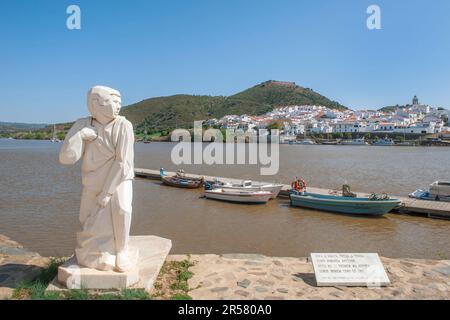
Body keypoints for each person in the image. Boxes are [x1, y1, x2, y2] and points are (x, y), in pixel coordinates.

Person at [59, 86, 136, 272]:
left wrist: (107, 193)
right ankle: (94, 253)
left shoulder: (123, 125)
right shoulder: (83, 124)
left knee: (122, 209)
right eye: (114, 102)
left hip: (118, 180)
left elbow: (122, 162)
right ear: (97, 104)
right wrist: (80, 137)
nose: (119, 106)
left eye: (120, 102)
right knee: (86, 217)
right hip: (93, 181)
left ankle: (122, 250)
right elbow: (66, 159)